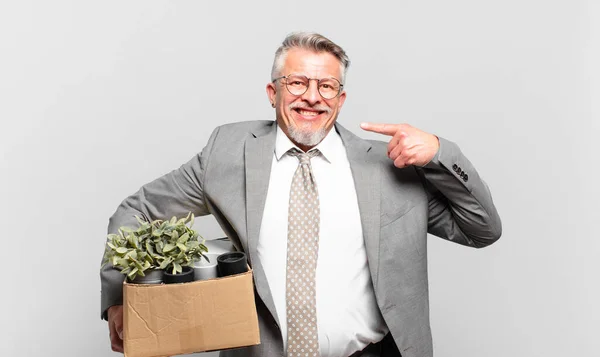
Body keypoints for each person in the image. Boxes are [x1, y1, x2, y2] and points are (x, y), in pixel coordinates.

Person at [100, 32, 502, 357]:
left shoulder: (388, 166)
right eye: (297, 82)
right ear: (273, 93)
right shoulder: (228, 152)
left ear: (340, 101)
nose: (312, 96)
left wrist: (440, 152)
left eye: (326, 86)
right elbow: (138, 209)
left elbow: (482, 229)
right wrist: (121, 297)